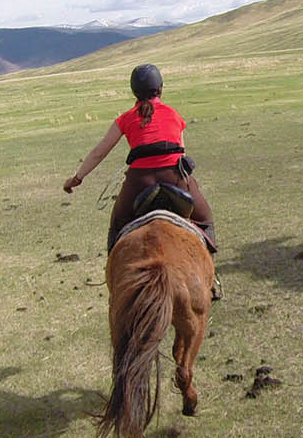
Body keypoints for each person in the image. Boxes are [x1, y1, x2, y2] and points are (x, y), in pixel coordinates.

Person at [63, 64, 221, 297]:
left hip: (138, 183)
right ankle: (211, 280)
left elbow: (99, 152)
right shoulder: (174, 114)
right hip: (176, 178)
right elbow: (182, 151)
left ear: (134, 92)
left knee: (118, 226)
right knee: (205, 218)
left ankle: (114, 279)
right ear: (160, 89)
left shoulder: (125, 119)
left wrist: (77, 178)